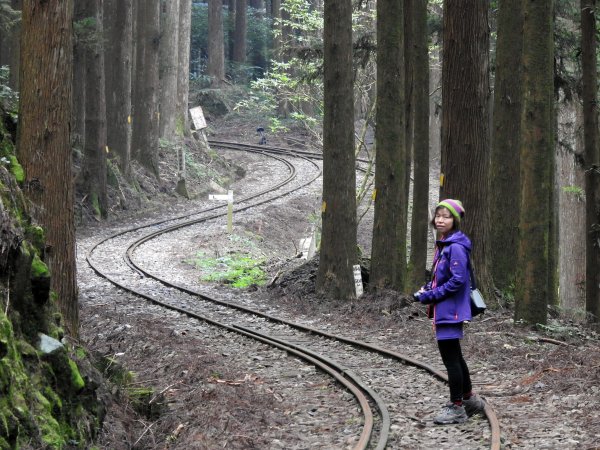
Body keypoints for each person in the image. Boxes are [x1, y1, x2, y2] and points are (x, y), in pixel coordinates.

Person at [413, 199, 485, 425]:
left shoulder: (455, 247)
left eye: (446, 216)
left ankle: (456, 408)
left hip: (450, 310)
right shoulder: (445, 243)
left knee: (451, 360)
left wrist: (430, 296)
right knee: (455, 355)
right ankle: (468, 399)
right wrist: (427, 289)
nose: (441, 220)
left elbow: (457, 281)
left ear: (455, 220)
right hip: (446, 309)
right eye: (438, 215)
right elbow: (442, 278)